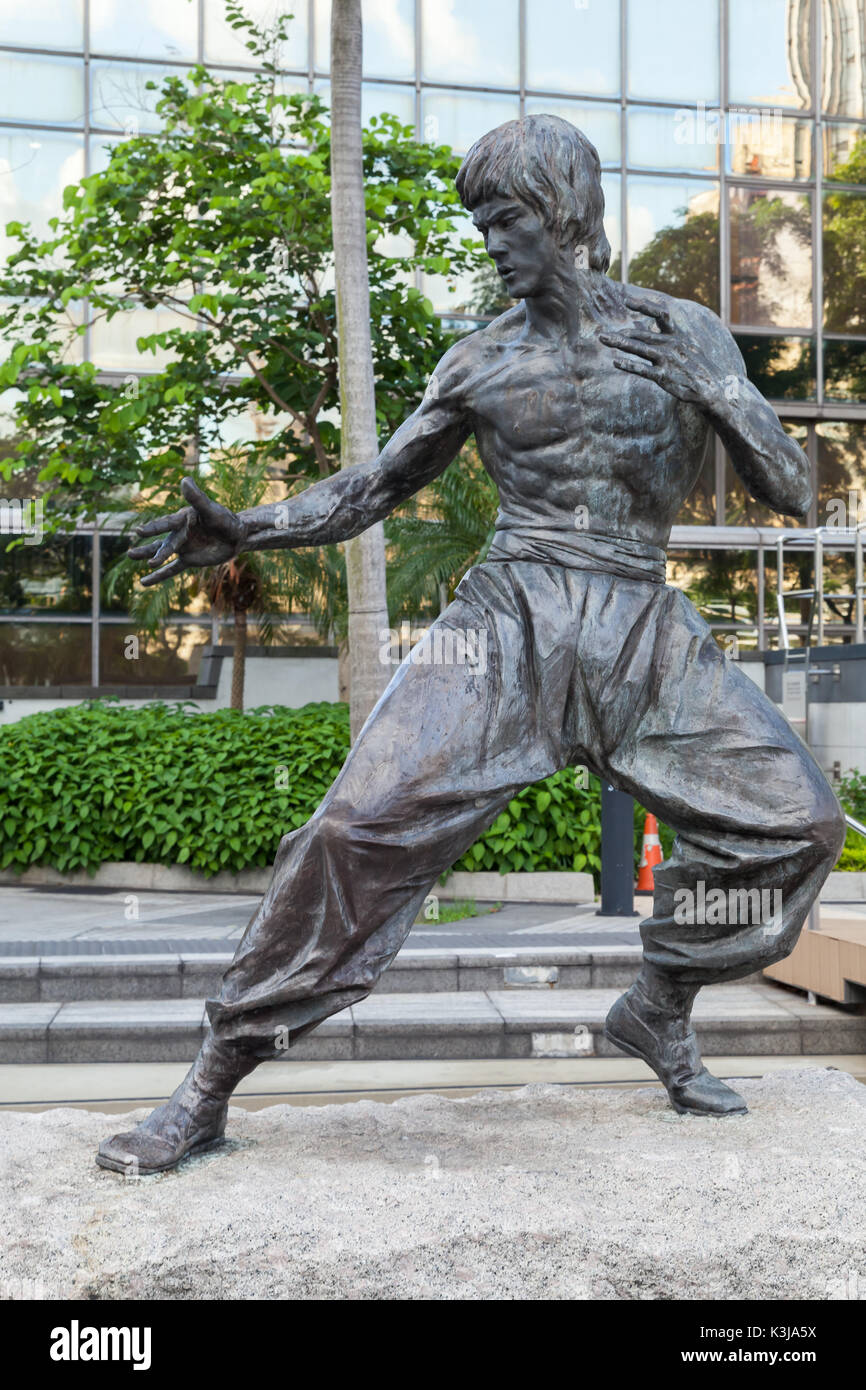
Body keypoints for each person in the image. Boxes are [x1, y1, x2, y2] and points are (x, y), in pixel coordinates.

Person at [97, 115, 845, 1175]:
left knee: (796, 825)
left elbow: (792, 490)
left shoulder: (684, 333)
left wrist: (711, 382)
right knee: (351, 831)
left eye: (507, 220)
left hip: (639, 627)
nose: (491, 243)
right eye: (481, 223)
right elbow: (372, 487)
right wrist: (250, 527)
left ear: (566, 216)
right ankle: (209, 1083)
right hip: (508, 624)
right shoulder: (480, 360)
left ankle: (658, 1001)